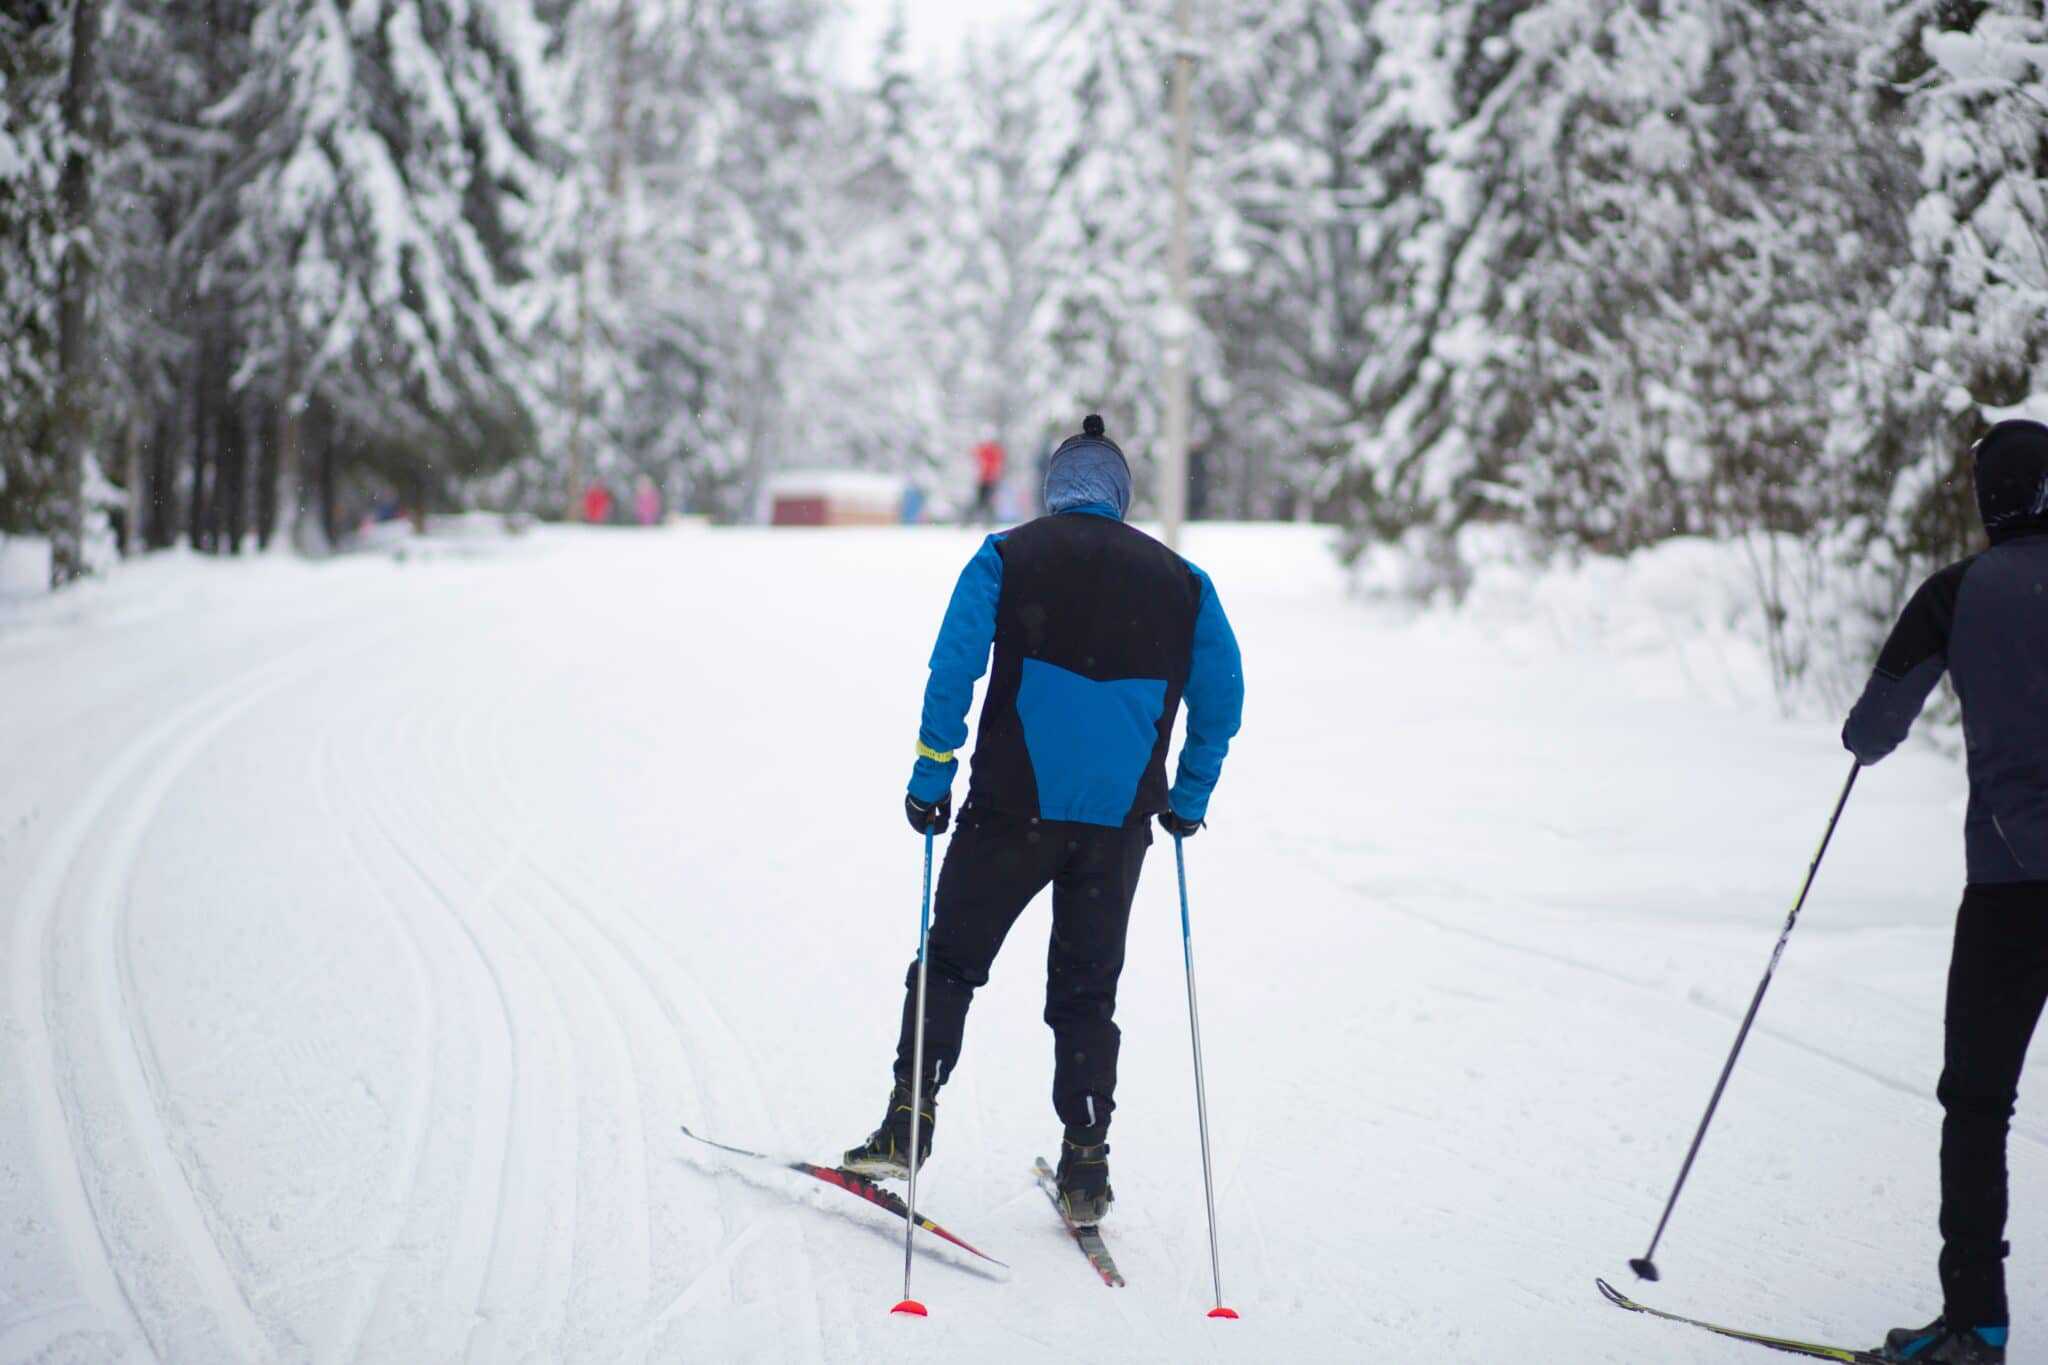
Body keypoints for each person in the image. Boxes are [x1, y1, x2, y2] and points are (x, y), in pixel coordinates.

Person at [843, 414, 1245, 1223]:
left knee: (951, 961)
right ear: (1122, 498)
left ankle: (908, 1118)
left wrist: (932, 773)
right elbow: (1223, 699)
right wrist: (1188, 799)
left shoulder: (1007, 556)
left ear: (1057, 491)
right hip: (1116, 825)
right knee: (1088, 991)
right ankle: (1087, 1162)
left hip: (1008, 810)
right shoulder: (1185, 583)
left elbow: (953, 665)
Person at [1842, 418, 2048, 1364]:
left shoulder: (1954, 594)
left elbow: (1876, 726)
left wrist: (1861, 737)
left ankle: (1977, 1326)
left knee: (1977, 1104)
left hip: (2011, 892)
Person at [970, 438, 1006, 526]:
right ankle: (986, 521)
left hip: (988, 480)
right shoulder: (994, 451)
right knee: (983, 501)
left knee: (984, 501)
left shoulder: (992, 451)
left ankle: (987, 521)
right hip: (986, 479)